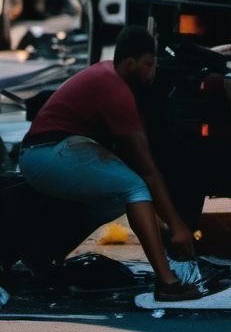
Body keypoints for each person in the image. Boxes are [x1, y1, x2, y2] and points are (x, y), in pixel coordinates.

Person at [18, 25, 205, 301]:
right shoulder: (115, 90)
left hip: (44, 154)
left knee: (114, 199)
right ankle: (167, 282)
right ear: (130, 64)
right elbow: (148, 170)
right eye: (149, 65)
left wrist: (164, 226)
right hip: (47, 153)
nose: (153, 72)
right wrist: (176, 226)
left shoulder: (108, 74)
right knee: (135, 186)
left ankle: (47, 252)